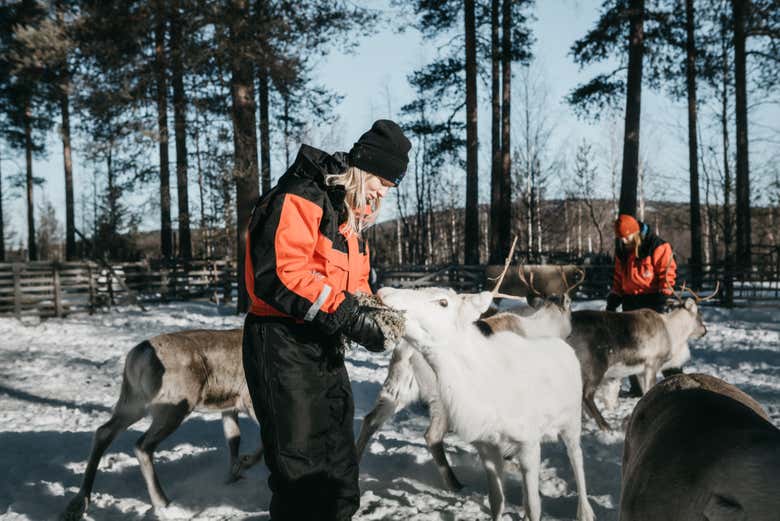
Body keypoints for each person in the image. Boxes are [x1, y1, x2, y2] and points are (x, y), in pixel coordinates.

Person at [241, 120, 411, 521]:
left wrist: (374, 312)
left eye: (390, 187)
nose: (383, 192)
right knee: (300, 463)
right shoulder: (302, 195)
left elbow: (354, 284)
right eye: (383, 181)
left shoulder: (349, 218)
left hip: (324, 343)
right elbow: (281, 273)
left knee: (337, 457)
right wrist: (349, 314)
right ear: (365, 167)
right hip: (282, 343)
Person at [606, 214, 679, 395]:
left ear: (635, 232)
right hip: (631, 302)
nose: (624, 240)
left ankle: (676, 382)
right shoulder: (622, 250)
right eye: (620, 238)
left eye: (627, 236)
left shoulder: (657, 246)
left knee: (659, 346)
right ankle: (638, 387)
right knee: (631, 346)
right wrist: (615, 296)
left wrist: (664, 297)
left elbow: (667, 273)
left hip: (653, 300)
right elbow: (618, 277)